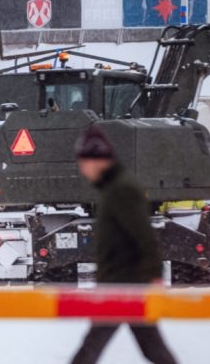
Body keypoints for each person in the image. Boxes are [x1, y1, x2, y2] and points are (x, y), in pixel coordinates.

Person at [71, 126, 177, 364]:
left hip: (123, 284)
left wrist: (154, 276)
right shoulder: (115, 188)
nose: (82, 170)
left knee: (89, 350)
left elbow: (143, 235)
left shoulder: (121, 190)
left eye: (83, 163)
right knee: (153, 349)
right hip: (124, 283)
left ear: (95, 160)